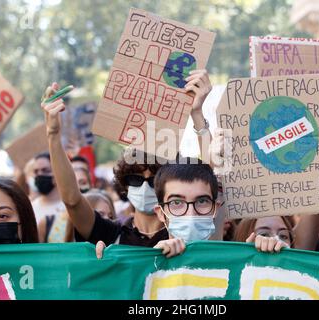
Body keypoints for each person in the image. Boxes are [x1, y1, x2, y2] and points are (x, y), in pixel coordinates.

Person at [42, 70, 212, 252]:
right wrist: (53, 135)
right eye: (135, 179)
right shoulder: (109, 234)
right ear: (125, 185)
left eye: (154, 179)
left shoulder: (188, 232)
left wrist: (197, 114)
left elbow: (210, 182)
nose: (145, 187)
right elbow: (72, 200)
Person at [30, 152, 65, 224]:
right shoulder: (31, 209)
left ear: (57, 172)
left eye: (46, 170)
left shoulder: (70, 205)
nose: (40, 175)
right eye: (36, 172)